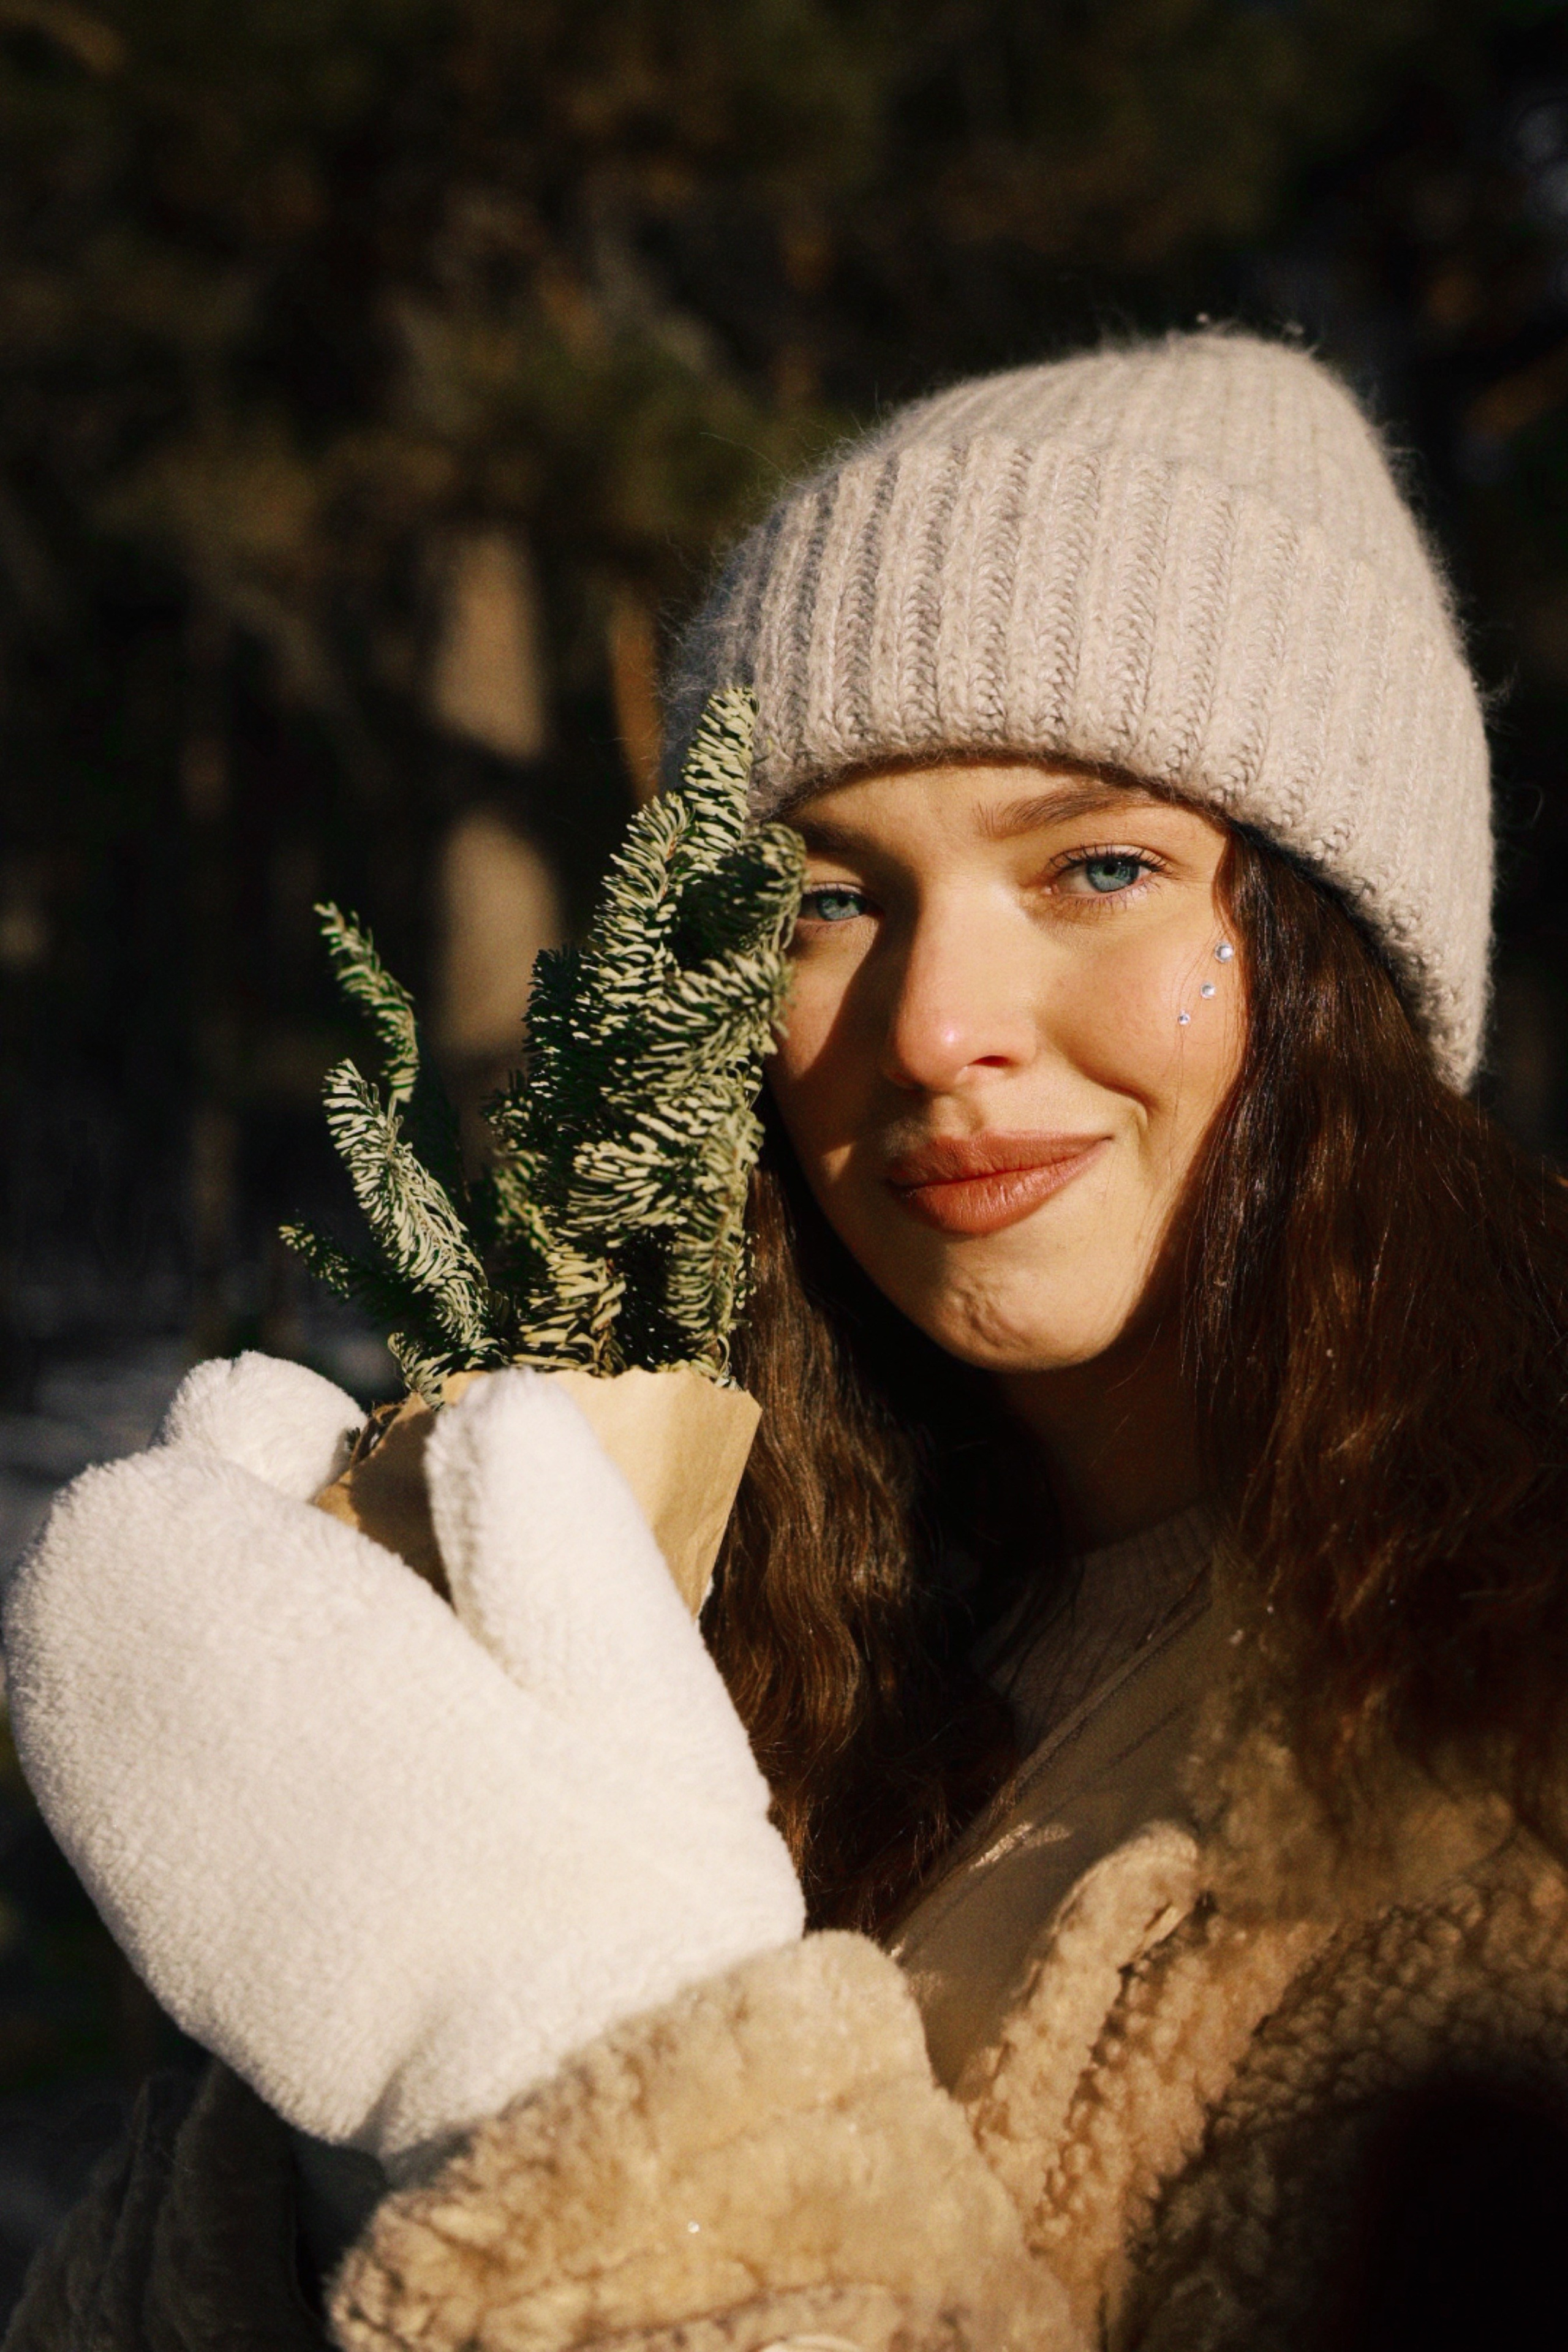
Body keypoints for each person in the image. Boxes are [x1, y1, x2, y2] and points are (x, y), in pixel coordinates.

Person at [6, 329, 1568, 2352]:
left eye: (1097, 867)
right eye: (829, 899)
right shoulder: (724, 1586)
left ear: (1346, 944)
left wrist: (577, 2090)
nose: (933, 1027)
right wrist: (318, 2161)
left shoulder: (1507, 1720)